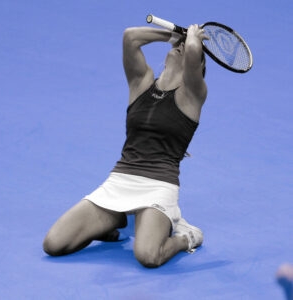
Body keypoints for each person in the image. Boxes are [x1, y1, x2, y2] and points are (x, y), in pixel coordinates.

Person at [43, 24, 209, 268]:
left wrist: (193, 39)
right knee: (54, 244)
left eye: (186, 49)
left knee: (147, 256)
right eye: (177, 46)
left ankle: (185, 236)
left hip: (158, 187)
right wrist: (175, 36)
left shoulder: (193, 95)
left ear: (199, 68)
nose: (181, 48)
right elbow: (130, 37)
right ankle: (119, 221)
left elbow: (194, 55)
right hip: (120, 181)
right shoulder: (141, 83)